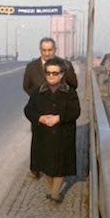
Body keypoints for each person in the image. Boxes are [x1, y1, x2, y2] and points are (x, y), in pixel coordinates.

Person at [24, 57, 81, 203]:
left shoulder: (70, 92)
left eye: (55, 73)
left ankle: (55, 193)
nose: (51, 76)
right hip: (43, 136)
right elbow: (28, 110)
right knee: (46, 166)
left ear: (61, 74)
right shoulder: (38, 92)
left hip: (63, 135)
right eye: (48, 73)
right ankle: (51, 189)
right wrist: (40, 118)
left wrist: (59, 118)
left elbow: (76, 112)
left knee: (60, 166)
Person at [22, 37, 77, 178]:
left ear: (55, 50)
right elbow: (26, 86)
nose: (47, 53)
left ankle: (55, 170)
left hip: (58, 110)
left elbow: (73, 85)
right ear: (40, 50)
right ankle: (36, 168)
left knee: (57, 142)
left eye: (50, 50)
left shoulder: (66, 65)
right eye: (44, 50)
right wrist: (38, 98)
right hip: (39, 111)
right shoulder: (31, 66)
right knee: (38, 139)